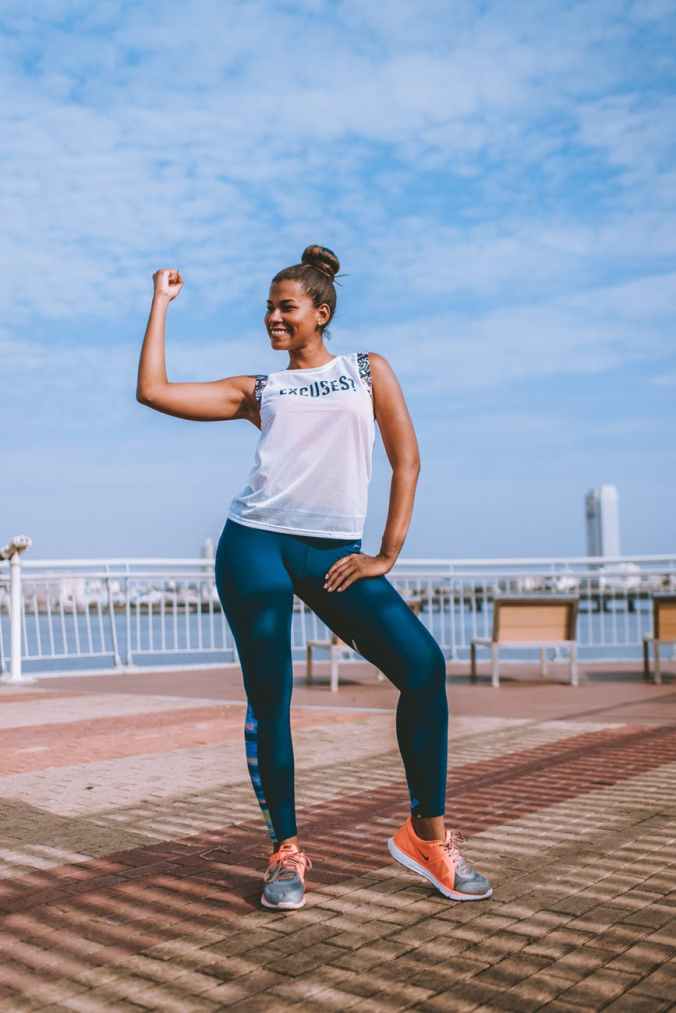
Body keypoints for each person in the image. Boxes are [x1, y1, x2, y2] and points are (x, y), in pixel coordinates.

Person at [136, 245, 492, 910]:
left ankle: (426, 836)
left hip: (333, 555)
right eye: (269, 307)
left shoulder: (367, 371)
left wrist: (386, 553)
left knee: (423, 667)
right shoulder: (261, 389)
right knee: (271, 699)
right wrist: (161, 303)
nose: (272, 316)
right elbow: (153, 390)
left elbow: (406, 459)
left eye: (285, 306)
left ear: (321, 313)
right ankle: (285, 852)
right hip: (254, 547)